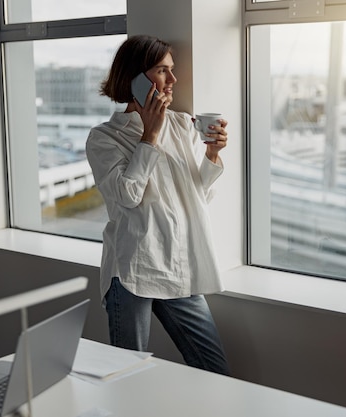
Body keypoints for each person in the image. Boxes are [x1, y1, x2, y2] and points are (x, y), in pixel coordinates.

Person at [85, 35, 230, 375]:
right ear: (136, 78)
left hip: (178, 266)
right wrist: (149, 135)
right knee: (127, 374)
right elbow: (127, 195)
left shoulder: (183, 125)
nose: (174, 80)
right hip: (132, 269)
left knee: (214, 369)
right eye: (163, 71)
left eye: (172, 70)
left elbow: (199, 196)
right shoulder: (105, 137)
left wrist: (212, 154)